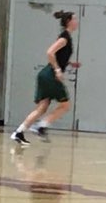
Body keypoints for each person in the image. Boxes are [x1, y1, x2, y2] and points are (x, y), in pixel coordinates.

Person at [11, 10, 77, 144]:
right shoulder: (64, 38)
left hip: (46, 74)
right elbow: (50, 52)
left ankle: (18, 132)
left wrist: (69, 63)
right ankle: (41, 126)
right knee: (65, 105)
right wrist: (58, 69)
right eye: (75, 19)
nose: (77, 22)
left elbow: (59, 55)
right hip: (50, 75)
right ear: (69, 21)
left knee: (42, 107)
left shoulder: (66, 37)